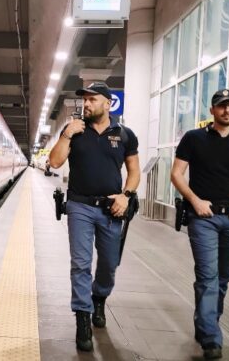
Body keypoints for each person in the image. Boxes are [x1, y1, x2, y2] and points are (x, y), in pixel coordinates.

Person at [170, 89, 229, 360]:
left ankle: (206, 324)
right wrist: (195, 200)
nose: (227, 110)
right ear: (212, 110)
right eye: (221, 106)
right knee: (208, 277)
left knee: (222, 280)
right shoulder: (194, 138)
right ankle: (212, 337)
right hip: (204, 219)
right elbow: (176, 174)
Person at [48, 82, 140, 352]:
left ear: (107, 103)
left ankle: (99, 297)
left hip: (112, 208)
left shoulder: (124, 135)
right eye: (84, 100)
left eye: (92, 100)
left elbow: (134, 171)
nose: (86, 104)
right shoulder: (75, 132)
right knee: (80, 264)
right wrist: (65, 136)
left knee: (109, 264)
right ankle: (83, 318)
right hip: (79, 206)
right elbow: (54, 162)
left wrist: (125, 196)